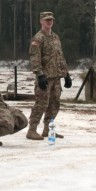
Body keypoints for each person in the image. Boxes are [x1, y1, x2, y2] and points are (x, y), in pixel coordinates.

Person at [26, 12, 72, 140]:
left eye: (51, 20)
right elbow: (35, 58)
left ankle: (48, 129)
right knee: (41, 104)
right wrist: (39, 75)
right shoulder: (38, 39)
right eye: (46, 20)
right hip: (45, 78)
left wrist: (66, 74)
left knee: (54, 104)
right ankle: (32, 130)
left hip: (56, 76)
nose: (49, 22)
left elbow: (60, 57)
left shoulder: (56, 37)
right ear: (41, 21)